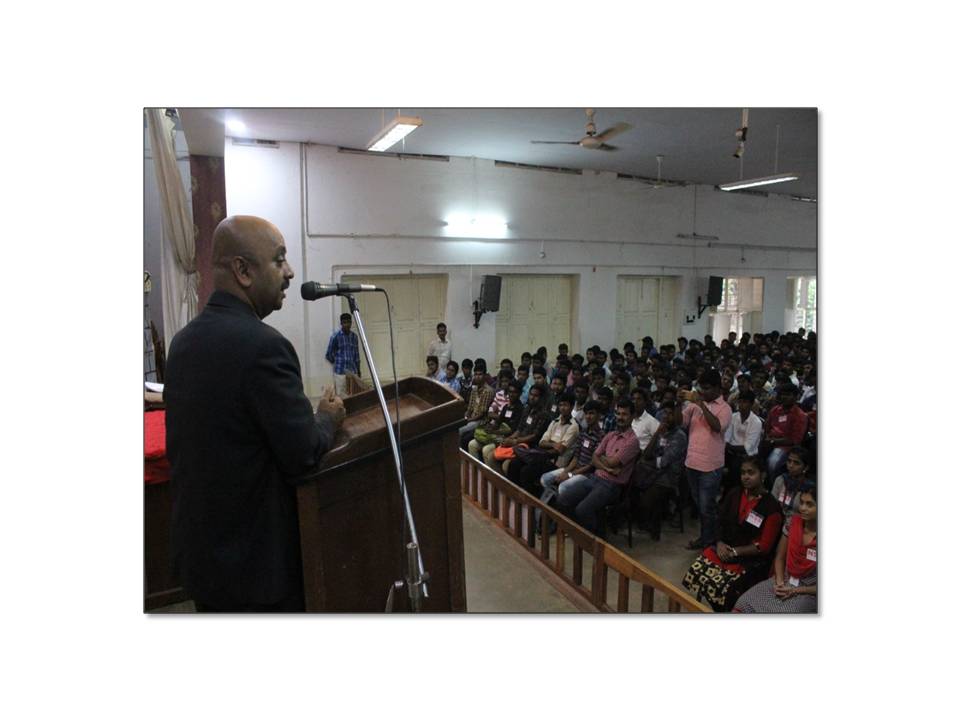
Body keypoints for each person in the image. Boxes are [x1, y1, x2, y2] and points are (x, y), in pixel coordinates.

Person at [165, 215, 346, 612]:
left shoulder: (182, 343)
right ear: (243, 271)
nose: (290, 272)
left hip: (205, 560)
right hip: (255, 571)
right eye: (279, 260)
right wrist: (327, 417)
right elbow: (303, 454)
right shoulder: (264, 347)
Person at [681, 456, 783, 612]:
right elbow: (719, 521)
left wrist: (735, 552)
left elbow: (764, 547)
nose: (746, 477)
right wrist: (719, 542)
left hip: (750, 559)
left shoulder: (772, 508)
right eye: (743, 473)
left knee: (725, 587)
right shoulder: (735, 493)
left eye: (751, 473)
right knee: (698, 569)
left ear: (763, 475)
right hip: (725, 548)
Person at [556, 398, 640, 535]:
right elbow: (594, 458)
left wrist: (602, 459)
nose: (620, 417)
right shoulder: (610, 435)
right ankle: (580, 534)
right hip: (594, 478)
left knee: (583, 510)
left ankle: (596, 540)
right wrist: (606, 466)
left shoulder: (633, 441)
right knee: (562, 499)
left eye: (624, 414)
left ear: (632, 417)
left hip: (612, 485)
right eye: (618, 414)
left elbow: (611, 462)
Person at [734, 482, 817, 613]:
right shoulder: (792, 523)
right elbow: (780, 557)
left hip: (808, 591)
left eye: (809, 504)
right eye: (801, 503)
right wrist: (779, 583)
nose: (803, 508)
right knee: (744, 602)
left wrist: (796, 590)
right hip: (784, 580)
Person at [679, 370, 733, 551]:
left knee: (707, 508)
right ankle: (706, 538)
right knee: (700, 506)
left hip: (710, 466)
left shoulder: (725, 408)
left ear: (718, 388)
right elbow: (680, 422)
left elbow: (717, 426)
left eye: (707, 388)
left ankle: (711, 543)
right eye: (701, 388)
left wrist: (701, 404)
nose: (703, 392)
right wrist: (678, 404)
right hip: (692, 462)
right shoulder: (694, 406)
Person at [632, 400, 687, 540]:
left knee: (648, 498)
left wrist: (647, 462)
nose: (666, 416)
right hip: (653, 473)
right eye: (664, 413)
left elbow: (664, 462)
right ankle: (641, 521)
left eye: (670, 413)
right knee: (630, 486)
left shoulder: (680, 436)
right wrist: (656, 434)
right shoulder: (661, 432)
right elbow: (647, 454)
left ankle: (654, 529)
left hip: (669, 477)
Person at [509, 392, 580, 495]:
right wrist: (553, 444)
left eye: (565, 405)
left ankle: (528, 500)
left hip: (556, 464)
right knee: (515, 463)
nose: (562, 408)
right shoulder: (555, 421)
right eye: (560, 405)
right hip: (543, 456)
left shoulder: (573, 427)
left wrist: (549, 443)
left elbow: (560, 450)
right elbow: (541, 442)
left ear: (572, 406)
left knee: (527, 471)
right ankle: (512, 494)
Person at [763, 383, 808, 482]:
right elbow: (767, 427)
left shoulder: (800, 415)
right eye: (783, 394)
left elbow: (795, 440)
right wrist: (766, 439)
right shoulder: (775, 410)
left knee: (773, 462)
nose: (784, 397)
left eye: (788, 395)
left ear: (795, 397)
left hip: (786, 447)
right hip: (769, 442)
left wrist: (773, 441)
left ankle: (774, 485)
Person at [723, 389, 763, 492]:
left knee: (735, 468)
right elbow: (726, 438)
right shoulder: (733, 417)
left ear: (751, 404)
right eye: (739, 402)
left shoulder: (756, 422)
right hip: (731, 453)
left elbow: (747, 448)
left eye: (744, 402)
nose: (741, 405)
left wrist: (728, 446)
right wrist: (727, 446)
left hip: (747, 456)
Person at [770, 446, 811, 536]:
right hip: (777, 522)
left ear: (806, 467)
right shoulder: (780, 480)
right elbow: (772, 504)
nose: (791, 465)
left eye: (796, 463)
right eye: (789, 461)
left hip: (798, 527)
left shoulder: (809, 489)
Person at [325, 312, 361, 397]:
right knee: (341, 396)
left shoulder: (354, 337)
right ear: (341, 323)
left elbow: (356, 355)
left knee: (354, 395)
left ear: (351, 323)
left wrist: (358, 370)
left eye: (348, 322)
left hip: (353, 371)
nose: (346, 325)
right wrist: (337, 362)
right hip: (340, 373)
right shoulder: (335, 336)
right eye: (344, 322)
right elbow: (328, 354)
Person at [459, 366, 495, 449]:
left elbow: (482, 414)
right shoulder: (474, 389)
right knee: (456, 425)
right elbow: (470, 407)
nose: (477, 377)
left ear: (485, 376)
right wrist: (466, 416)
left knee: (460, 430)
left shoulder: (488, 391)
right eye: (475, 374)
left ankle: (460, 454)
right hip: (472, 418)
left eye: (480, 374)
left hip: (481, 421)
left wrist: (468, 420)